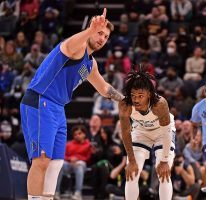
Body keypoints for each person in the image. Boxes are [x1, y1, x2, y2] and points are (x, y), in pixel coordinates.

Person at [20, 8, 124, 200]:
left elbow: (103, 88)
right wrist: (90, 30)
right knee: (41, 160)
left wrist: (124, 100)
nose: (101, 38)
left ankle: (47, 197)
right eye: (99, 33)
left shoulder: (91, 64)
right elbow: (68, 45)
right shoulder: (77, 47)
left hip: (58, 108)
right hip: (41, 100)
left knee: (56, 162)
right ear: (91, 30)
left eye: (106, 36)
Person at [118, 68, 176, 200]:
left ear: (149, 94)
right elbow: (126, 132)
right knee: (132, 172)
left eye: (140, 95)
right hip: (141, 131)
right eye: (133, 95)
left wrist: (165, 160)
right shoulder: (125, 105)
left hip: (162, 133)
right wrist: (131, 161)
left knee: (163, 173)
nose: (136, 100)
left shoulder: (159, 104)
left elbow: (166, 132)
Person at [55, 125, 91, 200]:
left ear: (84, 134)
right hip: (68, 163)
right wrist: (70, 159)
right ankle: (56, 192)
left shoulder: (88, 145)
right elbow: (63, 155)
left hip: (80, 163)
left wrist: (77, 159)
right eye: (75, 134)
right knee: (60, 164)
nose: (77, 136)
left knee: (80, 165)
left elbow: (88, 157)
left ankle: (78, 193)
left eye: (79, 133)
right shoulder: (68, 144)